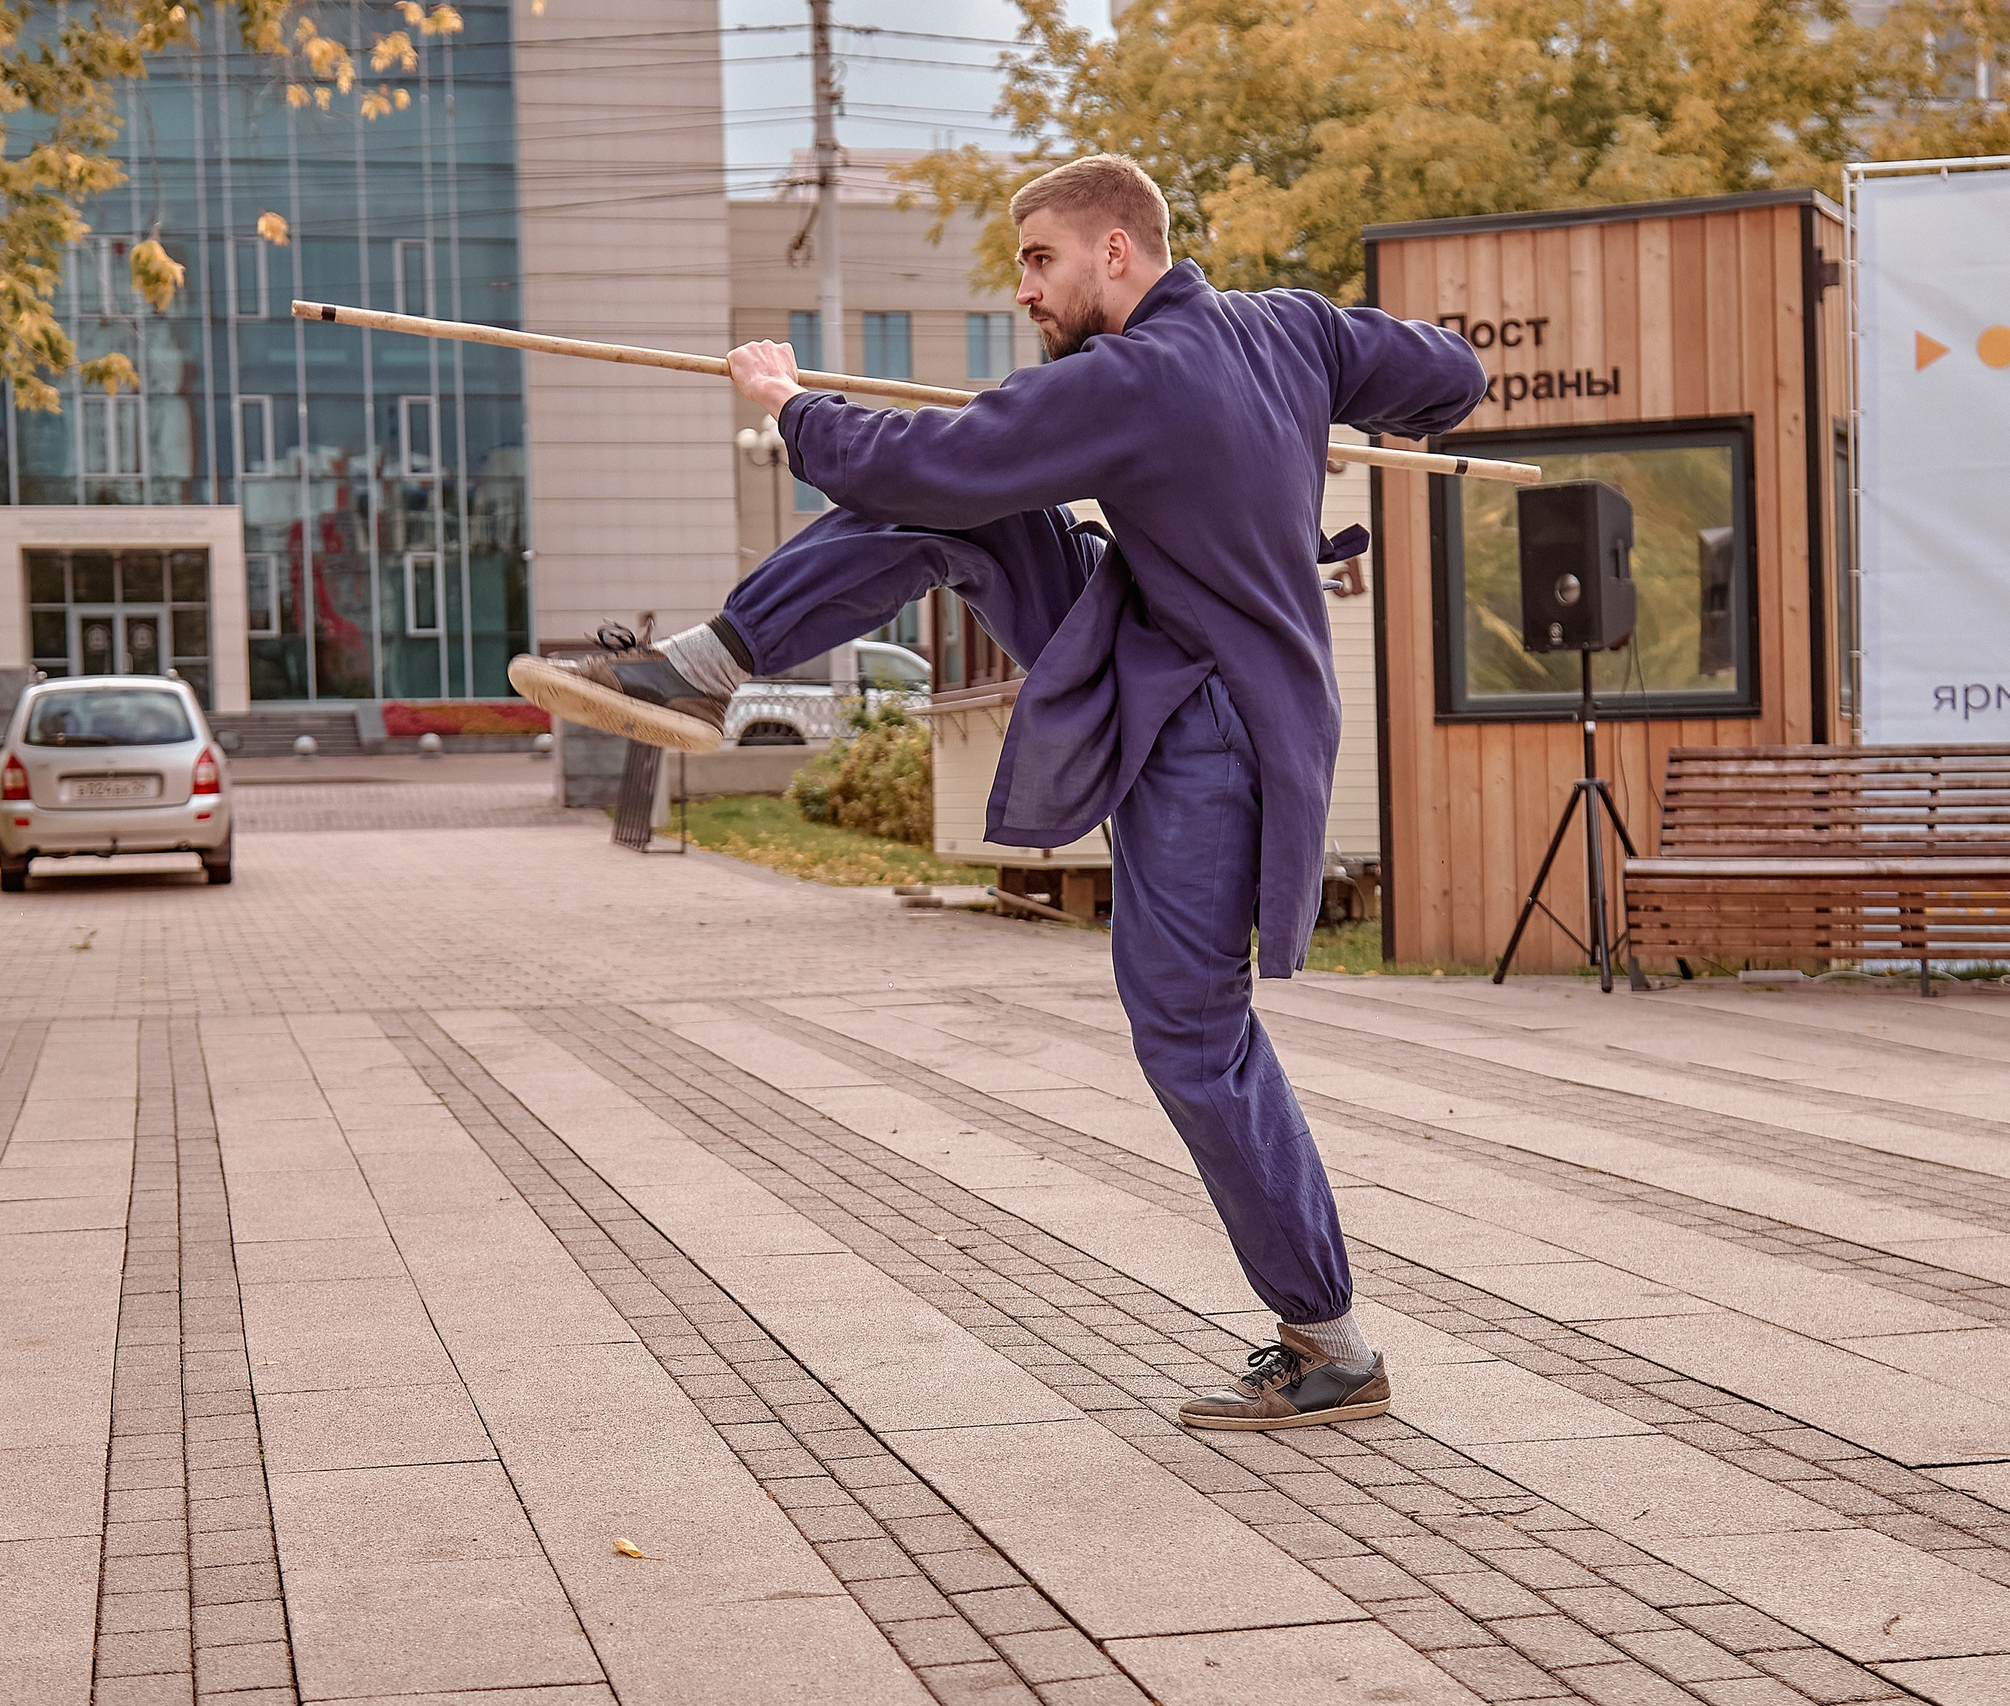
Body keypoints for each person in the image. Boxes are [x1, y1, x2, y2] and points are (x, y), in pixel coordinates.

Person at [511, 154, 1484, 1429]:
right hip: (1149, 641)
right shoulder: (1288, 328)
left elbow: (932, 455)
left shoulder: (1133, 377)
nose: (1024, 290)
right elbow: (1450, 374)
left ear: (1116, 252)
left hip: (1212, 722)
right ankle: (706, 667)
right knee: (952, 514)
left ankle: (1330, 1341)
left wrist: (791, 403)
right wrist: (1375, 407)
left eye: (1039, 261)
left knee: (1192, 1036)